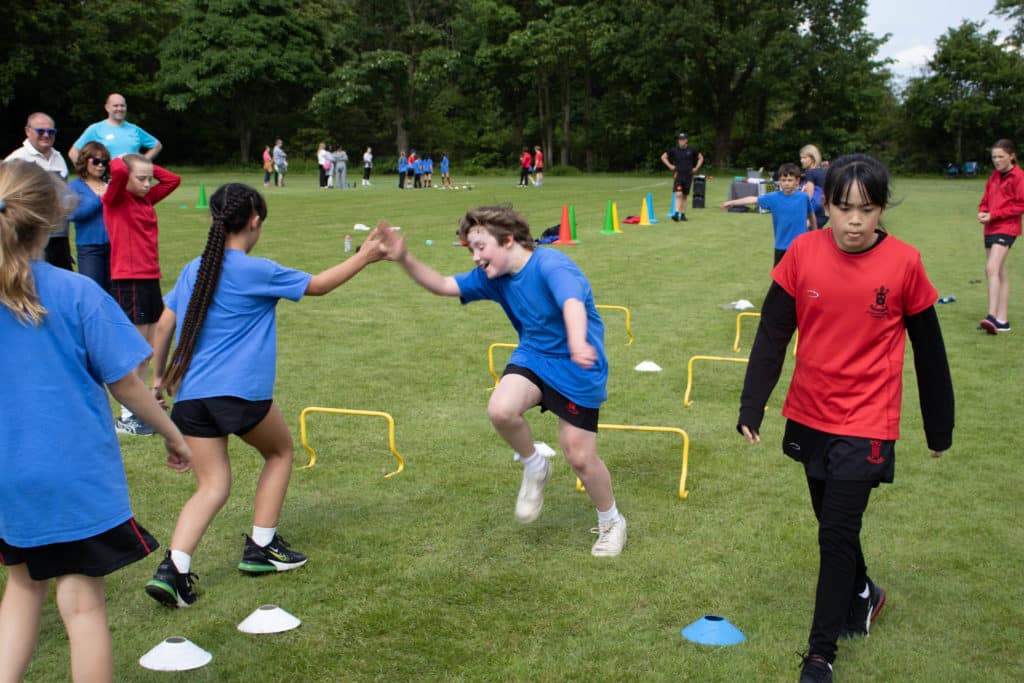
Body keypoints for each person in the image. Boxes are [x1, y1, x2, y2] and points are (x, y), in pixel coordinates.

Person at [736, 154, 954, 683]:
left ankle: (820, 654)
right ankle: (865, 591)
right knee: (831, 522)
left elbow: (929, 351)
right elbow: (773, 331)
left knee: (835, 533)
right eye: (843, 208)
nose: (855, 221)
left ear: (881, 209)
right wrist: (752, 403)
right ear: (825, 204)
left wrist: (938, 426)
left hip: (868, 420)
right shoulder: (802, 253)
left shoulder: (904, 263)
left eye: (868, 209)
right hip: (810, 413)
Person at [144, 184, 387, 607]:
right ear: (254, 221)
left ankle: (173, 570)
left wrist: (157, 380)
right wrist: (364, 256)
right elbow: (318, 285)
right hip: (240, 394)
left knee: (212, 486)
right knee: (280, 452)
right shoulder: (257, 270)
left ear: (214, 220)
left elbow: (164, 324)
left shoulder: (194, 269)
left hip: (192, 399)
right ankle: (262, 547)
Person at [0, 159, 190, 683]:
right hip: (75, 476)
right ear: (52, 221)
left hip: (9, 476)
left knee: (22, 589)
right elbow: (126, 384)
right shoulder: (78, 292)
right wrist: (173, 435)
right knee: (82, 606)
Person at [378, 205, 627, 557]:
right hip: (534, 356)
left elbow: (572, 303)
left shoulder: (551, 265)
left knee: (580, 457)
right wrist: (405, 259)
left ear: (508, 240)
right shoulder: (493, 277)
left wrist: (575, 341)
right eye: (471, 249)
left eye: (481, 247)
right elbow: (444, 285)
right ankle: (534, 465)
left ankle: (611, 521)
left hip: (577, 367)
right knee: (500, 409)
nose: (475, 257)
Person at [103, 154, 181, 436]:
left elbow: (173, 180)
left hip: (150, 279)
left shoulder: (145, 199)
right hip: (130, 280)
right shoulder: (116, 199)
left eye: (150, 178)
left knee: (147, 350)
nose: (149, 184)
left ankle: (141, 408)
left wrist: (145, 164)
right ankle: (128, 416)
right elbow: (118, 171)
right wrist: (124, 157)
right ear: (126, 178)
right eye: (142, 179)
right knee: (134, 349)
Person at [5, 112, 74, 270]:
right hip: (30, 237)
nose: (46, 135)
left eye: (51, 132)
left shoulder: (58, 157)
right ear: (28, 131)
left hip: (59, 235)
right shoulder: (17, 159)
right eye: (41, 131)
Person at [720, 162, 816, 265]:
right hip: (781, 246)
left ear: (797, 181)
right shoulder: (773, 197)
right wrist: (732, 202)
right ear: (779, 181)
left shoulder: (803, 197)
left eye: (790, 180)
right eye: (783, 180)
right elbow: (753, 199)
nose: (786, 183)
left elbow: (811, 216)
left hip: (800, 246)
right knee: (779, 275)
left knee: (802, 274)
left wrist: (815, 234)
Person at [977, 138, 1024, 334]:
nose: (996, 160)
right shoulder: (994, 177)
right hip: (990, 228)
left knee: (991, 268)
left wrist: (994, 215)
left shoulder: (1019, 177)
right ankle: (1002, 320)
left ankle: (991, 317)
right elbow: (986, 200)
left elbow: (1021, 205)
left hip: (1007, 227)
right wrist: (982, 211)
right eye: (994, 157)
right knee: (998, 272)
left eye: (1001, 157)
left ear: (1012, 156)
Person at [69, 142, 113, 292]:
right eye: (96, 161)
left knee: (115, 291)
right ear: (85, 161)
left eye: (104, 162)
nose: (100, 166)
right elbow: (73, 214)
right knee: (92, 290)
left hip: (114, 246)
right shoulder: (75, 186)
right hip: (89, 248)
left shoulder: (110, 184)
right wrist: (99, 199)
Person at [68, 93, 161, 164]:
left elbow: (157, 146)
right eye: (115, 106)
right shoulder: (95, 129)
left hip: (132, 180)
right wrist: (85, 174)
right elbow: (73, 152)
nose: (119, 109)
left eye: (122, 105)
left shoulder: (134, 129)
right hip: (106, 179)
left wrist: (143, 162)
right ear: (107, 108)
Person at [660, 133, 703, 222]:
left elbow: (701, 158)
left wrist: (696, 167)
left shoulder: (692, 150)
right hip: (678, 175)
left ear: (686, 140)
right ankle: (676, 214)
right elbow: (663, 157)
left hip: (688, 176)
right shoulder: (674, 150)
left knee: (684, 196)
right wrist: (670, 166)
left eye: (683, 139)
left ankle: (683, 215)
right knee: (678, 194)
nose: (681, 141)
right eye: (680, 139)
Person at [800, 144, 829, 228]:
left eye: (804, 158)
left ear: (812, 158)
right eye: (801, 158)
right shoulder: (825, 171)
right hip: (825, 212)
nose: (801, 160)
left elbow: (808, 197)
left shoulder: (810, 173)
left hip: (814, 213)